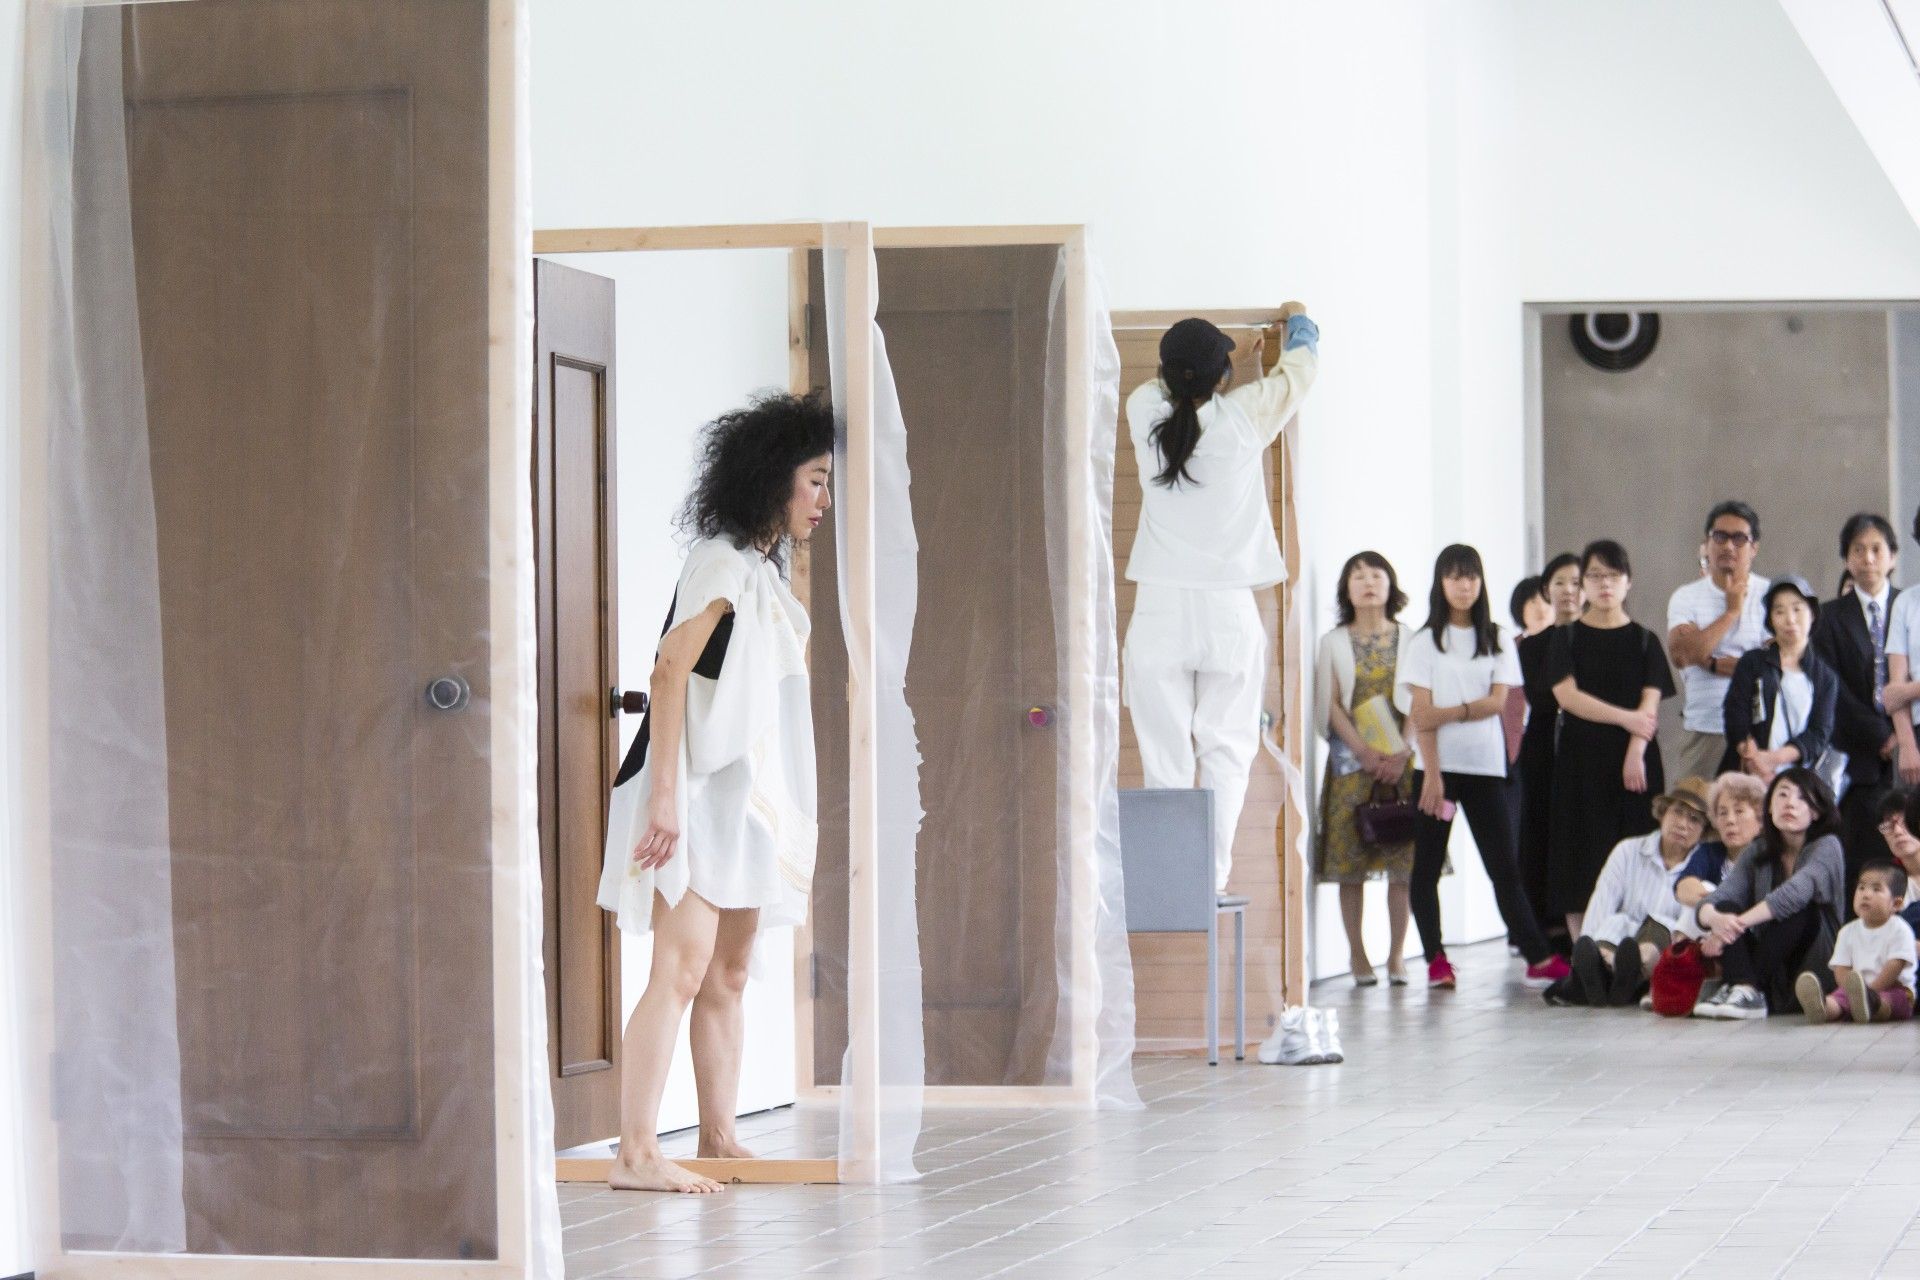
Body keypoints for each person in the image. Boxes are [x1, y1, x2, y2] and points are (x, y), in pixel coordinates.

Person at [595, 392, 834, 1194]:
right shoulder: (721, 562)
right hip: (689, 791)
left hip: (740, 802)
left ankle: (720, 1138)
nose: (822, 500)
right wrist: (666, 798)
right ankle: (636, 1152)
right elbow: (668, 669)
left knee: (729, 973)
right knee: (681, 968)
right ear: (774, 478)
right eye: (815, 481)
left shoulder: (759, 569)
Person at [1123, 308, 1318, 894]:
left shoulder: (1143, 408)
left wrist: (1214, 372)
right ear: (1222, 376)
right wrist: (1298, 324)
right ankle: (1206, 881)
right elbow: (1301, 371)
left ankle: (1168, 882)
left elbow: (1173, 388)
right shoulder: (1243, 418)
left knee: (1164, 755)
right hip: (1227, 611)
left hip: (1160, 606)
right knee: (1227, 748)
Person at [1395, 544, 1567, 988]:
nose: (1464, 585)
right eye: (1455, 576)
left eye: (1471, 576)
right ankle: (1435, 959)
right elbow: (1421, 715)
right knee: (1427, 867)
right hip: (1436, 771)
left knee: (1504, 866)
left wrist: (1448, 711)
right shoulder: (1423, 643)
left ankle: (1537, 956)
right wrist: (1433, 775)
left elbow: (1497, 702)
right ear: (1441, 582)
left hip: (1487, 769)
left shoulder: (1497, 638)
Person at [1546, 540, 1676, 940]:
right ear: (1583, 583)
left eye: (1613, 575)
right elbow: (1568, 698)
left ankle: (1633, 948)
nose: (1605, 584)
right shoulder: (1566, 638)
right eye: (1595, 575)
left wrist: (1635, 749)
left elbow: (1650, 705)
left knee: (1638, 850)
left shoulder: (1645, 640)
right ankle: (1584, 949)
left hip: (1633, 763)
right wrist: (1627, 718)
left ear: (1628, 582)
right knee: (1578, 855)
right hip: (1580, 762)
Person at [1314, 552, 1416, 986]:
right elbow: (1330, 704)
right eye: (1358, 576)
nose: (1368, 582)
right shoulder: (1333, 641)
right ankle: (1357, 955)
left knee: (1402, 865)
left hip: (1400, 763)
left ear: (1390, 585)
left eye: (1376, 574)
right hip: (1352, 766)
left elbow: (1420, 698)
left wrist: (1402, 752)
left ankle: (1397, 956)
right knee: (1350, 864)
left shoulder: (1411, 638)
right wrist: (1365, 753)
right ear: (1346, 589)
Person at [1695, 767, 1846, 1019]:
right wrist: (1715, 919)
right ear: (1769, 808)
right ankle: (1744, 988)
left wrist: (1731, 929)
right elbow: (1721, 895)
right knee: (1726, 908)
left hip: (1813, 967)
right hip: (1769, 968)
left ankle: (1743, 987)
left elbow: (1794, 894)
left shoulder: (1827, 846)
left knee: (1801, 909)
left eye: (1802, 798)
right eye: (1782, 795)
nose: (1790, 803)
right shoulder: (1758, 850)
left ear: (1816, 812)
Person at [1811, 513, 1902, 885]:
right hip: (1859, 760)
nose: (1868, 558)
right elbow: (1831, 687)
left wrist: (1904, 736)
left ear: (1892, 556)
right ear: (1846, 558)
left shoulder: (1911, 607)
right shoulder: (1828, 617)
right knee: (1865, 862)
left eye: (1877, 549)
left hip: (1912, 752)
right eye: (1858, 550)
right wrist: (1882, 737)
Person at [1565, 777, 1711, 1007]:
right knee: (1614, 925)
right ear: (1663, 813)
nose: (1683, 824)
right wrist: (1587, 944)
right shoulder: (1628, 850)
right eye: (1677, 812)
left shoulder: (1705, 865)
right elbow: (1603, 900)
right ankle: (1600, 972)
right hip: (1622, 938)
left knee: (1656, 932)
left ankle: (1628, 975)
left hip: (1662, 951)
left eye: (1694, 819)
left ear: (1704, 831)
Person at [1668, 501, 1771, 784]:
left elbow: (1777, 663)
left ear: (1754, 548)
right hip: (1705, 727)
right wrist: (1731, 612)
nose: (1728, 546)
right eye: (1720, 536)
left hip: (1759, 732)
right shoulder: (1686, 596)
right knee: (1692, 807)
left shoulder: (1770, 594)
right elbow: (1683, 655)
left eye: (1739, 539)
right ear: (1707, 542)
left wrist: (1711, 662)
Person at [1515, 553, 1584, 951]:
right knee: (1541, 831)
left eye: (1576, 582)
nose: (1568, 590)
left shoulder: (1598, 638)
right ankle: (1547, 929)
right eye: (1559, 582)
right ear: (1546, 590)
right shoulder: (1531, 646)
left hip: (1586, 743)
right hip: (1543, 744)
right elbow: (1540, 697)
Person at [1723, 576, 1837, 780]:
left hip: (1797, 781)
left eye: (1797, 609)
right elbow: (1735, 714)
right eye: (1779, 611)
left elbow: (1819, 733)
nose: (1790, 619)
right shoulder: (1752, 663)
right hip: (1750, 775)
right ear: (1770, 620)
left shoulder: (1825, 677)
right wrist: (1754, 760)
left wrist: (1774, 759)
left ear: (1812, 614)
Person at [1794, 860, 1915, 1024]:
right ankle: (1823, 1007)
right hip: (1856, 991)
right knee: (1838, 998)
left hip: (1894, 988)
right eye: (1861, 888)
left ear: (1896, 903)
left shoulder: (1900, 930)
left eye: (1876, 889)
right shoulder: (1847, 931)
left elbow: (1895, 965)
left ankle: (1872, 1006)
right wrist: (1851, 991)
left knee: (1890, 1000)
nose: (1866, 894)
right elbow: (1841, 968)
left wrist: (1870, 993)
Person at [1674, 772, 1767, 908]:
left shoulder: (1770, 857)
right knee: (1705, 887)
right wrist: (1712, 906)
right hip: (1708, 917)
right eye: (1723, 813)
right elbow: (1683, 887)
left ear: (1760, 819)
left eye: (1739, 811)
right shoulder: (1710, 851)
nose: (1730, 820)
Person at [1883, 508, 1920, 791]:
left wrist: (1908, 690)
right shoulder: (1906, 602)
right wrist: (1907, 745)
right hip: (1916, 734)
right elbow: (1892, 693)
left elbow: (1898, 692)